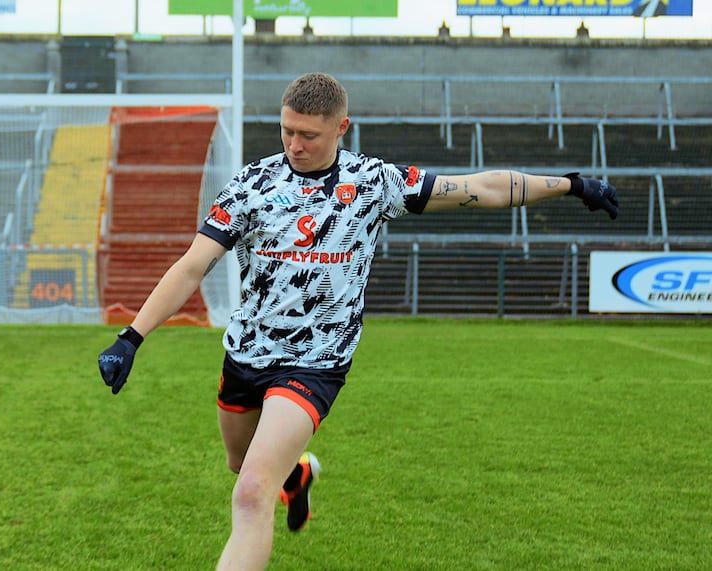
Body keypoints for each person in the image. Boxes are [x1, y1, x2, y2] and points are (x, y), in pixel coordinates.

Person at [98, 72, 618, 570]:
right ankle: (297, 475)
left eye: (308, 135)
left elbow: (482, 188)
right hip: (245, 355)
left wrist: (570, 185)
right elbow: (194, 264)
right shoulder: (251, 184)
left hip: (315, 364)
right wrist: (132, 336)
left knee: (251, 491)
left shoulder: (373, 183)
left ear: (341, 128)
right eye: (286, 131)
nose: (294, 145)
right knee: (240, 464)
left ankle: (281, 478)